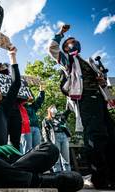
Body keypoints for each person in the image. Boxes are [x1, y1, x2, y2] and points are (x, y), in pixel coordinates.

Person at [0, 48, 83, 192]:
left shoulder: (2, 110)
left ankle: (5, 178)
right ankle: (37, 180)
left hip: (2, 163)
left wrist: (13, 57)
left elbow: (16, 85)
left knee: (50, 149)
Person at [49, 24, 115, 189]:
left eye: (75, 41)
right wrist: (61, 33)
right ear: (66, 47)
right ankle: (99, 178)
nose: (74, 43)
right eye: (70, 42)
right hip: (86, 100)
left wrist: (101, 80)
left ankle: (111, 174)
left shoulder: (88, 61)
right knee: (95, 136)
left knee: (110, 135)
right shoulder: (68, 60)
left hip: (99, 99)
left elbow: (100, 81)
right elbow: (51, 48)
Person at [0, 62, 29, 150]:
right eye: (2, 67)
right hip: (2, 111)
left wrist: (26, 98)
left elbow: (19, 96)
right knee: (2, 139)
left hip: (15, 112)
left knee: (16, 141)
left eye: (6, 67)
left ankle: (15, 160)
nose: (5, 69)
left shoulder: (14, 80)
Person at [42, 105, 71, 172]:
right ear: (49, 110)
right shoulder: (46, 119)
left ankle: (68, 174)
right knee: (56, 157)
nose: (54, 109)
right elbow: (44, 132)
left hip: (64, 136)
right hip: (54, 136)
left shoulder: (61, 117)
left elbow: (68, 111)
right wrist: (47, 142)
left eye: (55, 108)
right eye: (52, 108)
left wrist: (69, 100)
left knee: (66, 157)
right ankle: (57, 174)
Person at [21, 84, 45, 154]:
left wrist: (41, 91)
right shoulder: (20, 107)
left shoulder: (32, 107)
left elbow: (39, 101)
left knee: (37, 150)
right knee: (27, 150)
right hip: (26, 128)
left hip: (36, 128)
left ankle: (36, 164)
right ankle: (26, 164)